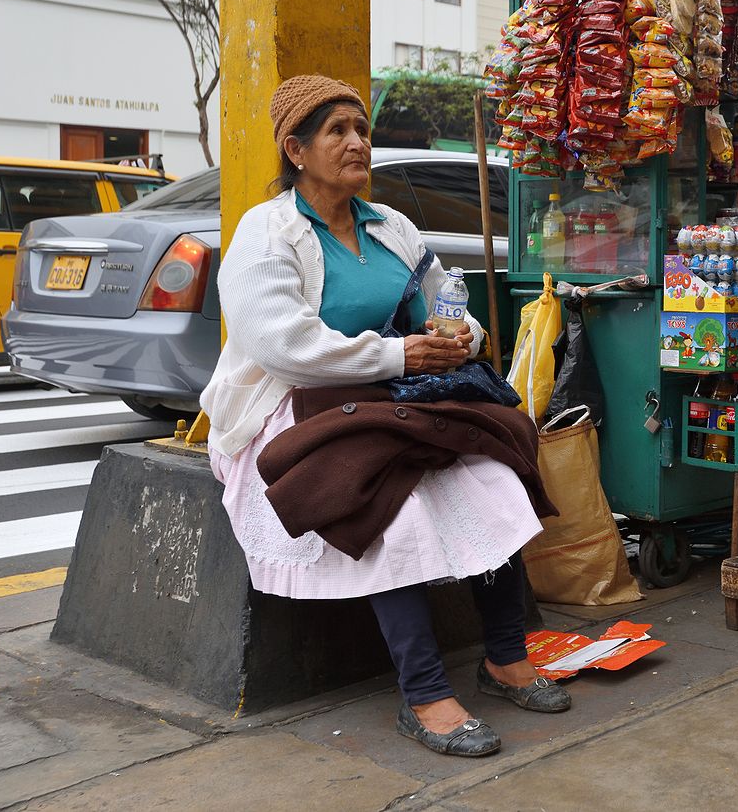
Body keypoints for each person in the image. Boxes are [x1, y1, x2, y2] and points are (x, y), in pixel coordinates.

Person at [200, 75, 570, 760]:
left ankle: (504, 656)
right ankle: (424, 693)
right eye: (337, 130)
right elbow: (284, 347)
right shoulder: (268, 232)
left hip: (391, 403)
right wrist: (401, 354)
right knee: (392, 512)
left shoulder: (391, 227)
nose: (356, 142)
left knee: (493, 478)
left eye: (361, 129)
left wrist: (461, 338)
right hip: (295, 411)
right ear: (296, 149)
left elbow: (445, 309)